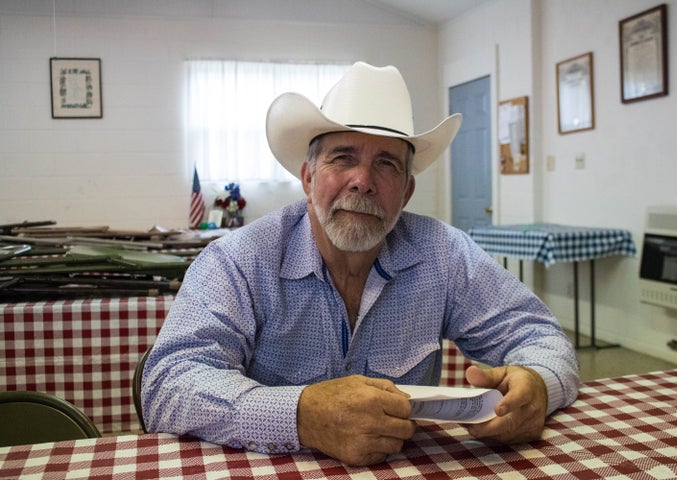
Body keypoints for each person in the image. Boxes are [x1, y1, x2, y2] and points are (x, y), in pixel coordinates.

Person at [142, 61, 579, 466]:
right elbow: (167, 383)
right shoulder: (239, 260)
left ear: (406, 193)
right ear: (308, 178)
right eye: (344, 157)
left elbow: (538, 335)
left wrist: (537, 384)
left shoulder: (443, 253)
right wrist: (302, 414)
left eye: (386, 164)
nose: (363, 182)